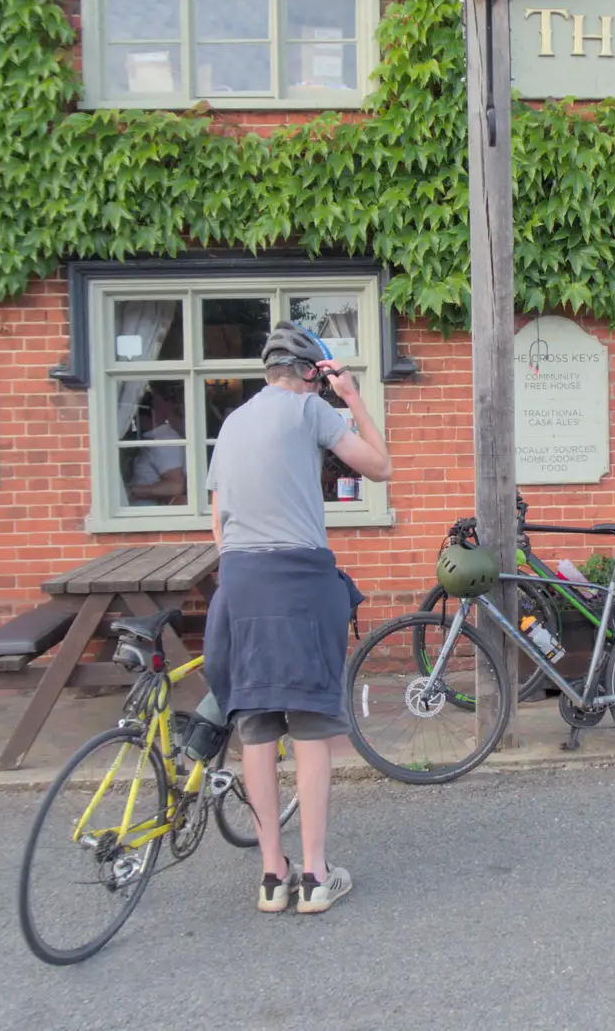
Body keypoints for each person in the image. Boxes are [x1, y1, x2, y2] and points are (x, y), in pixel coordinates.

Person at [201, 322, 392, 912]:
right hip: (298, 578)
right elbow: (379, 466)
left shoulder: (232, 423)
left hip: (239, 581)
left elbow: (218, 521)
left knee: (257, 728)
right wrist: (353, 396)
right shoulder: (309, 411)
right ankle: (313, 876)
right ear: (313, 373)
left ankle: (270, 875)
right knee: (310, 727)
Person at [127, 389, 187, 505]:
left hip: (148, 512)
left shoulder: (164, 441)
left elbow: (175, 486)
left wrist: (134, 491)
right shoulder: (155, 437)